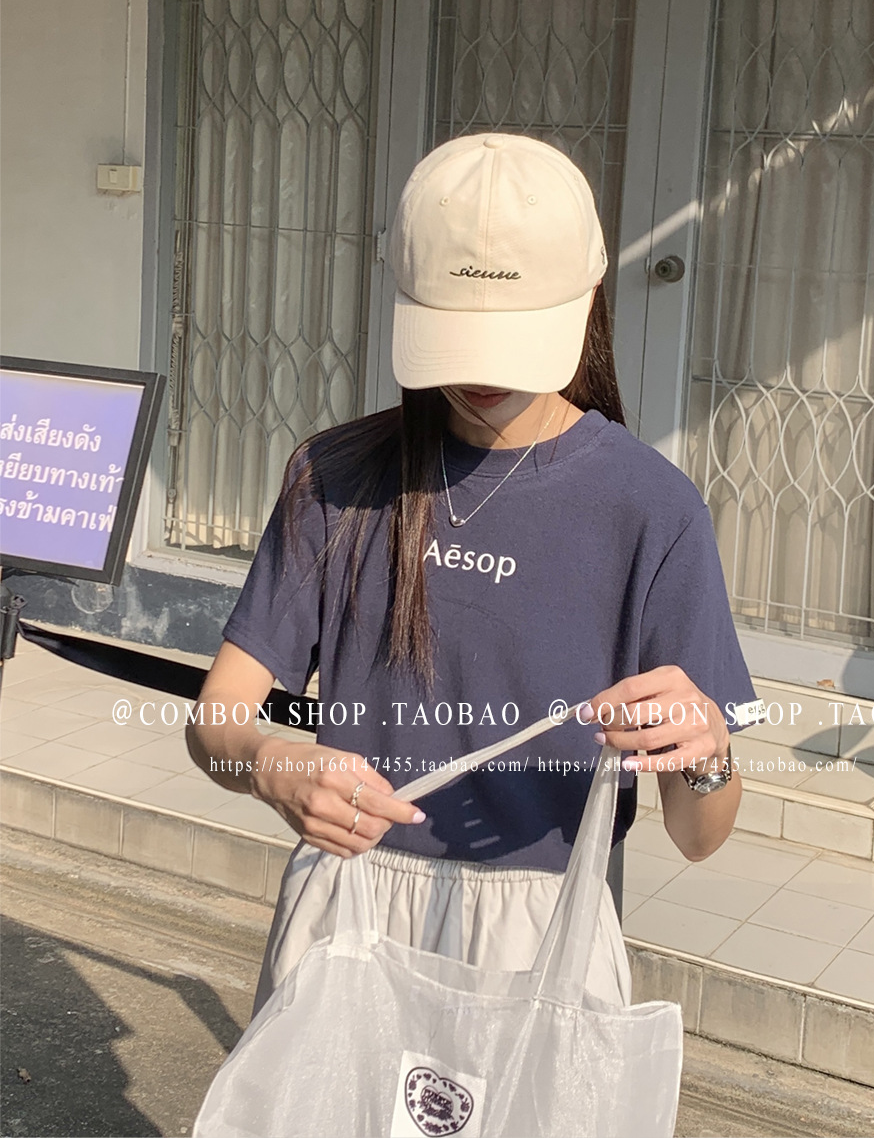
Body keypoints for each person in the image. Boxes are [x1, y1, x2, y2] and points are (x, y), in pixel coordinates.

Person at [186, 132, 761, 1012]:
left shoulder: (652, 508)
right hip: (348, 904)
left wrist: (706, 752)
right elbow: (216, 717)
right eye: (458, 334)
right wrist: (271, 765)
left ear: (587, 300)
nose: (484, 370)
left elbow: (699, 837)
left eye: (513, 337)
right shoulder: (336, 477)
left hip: (544, 932)